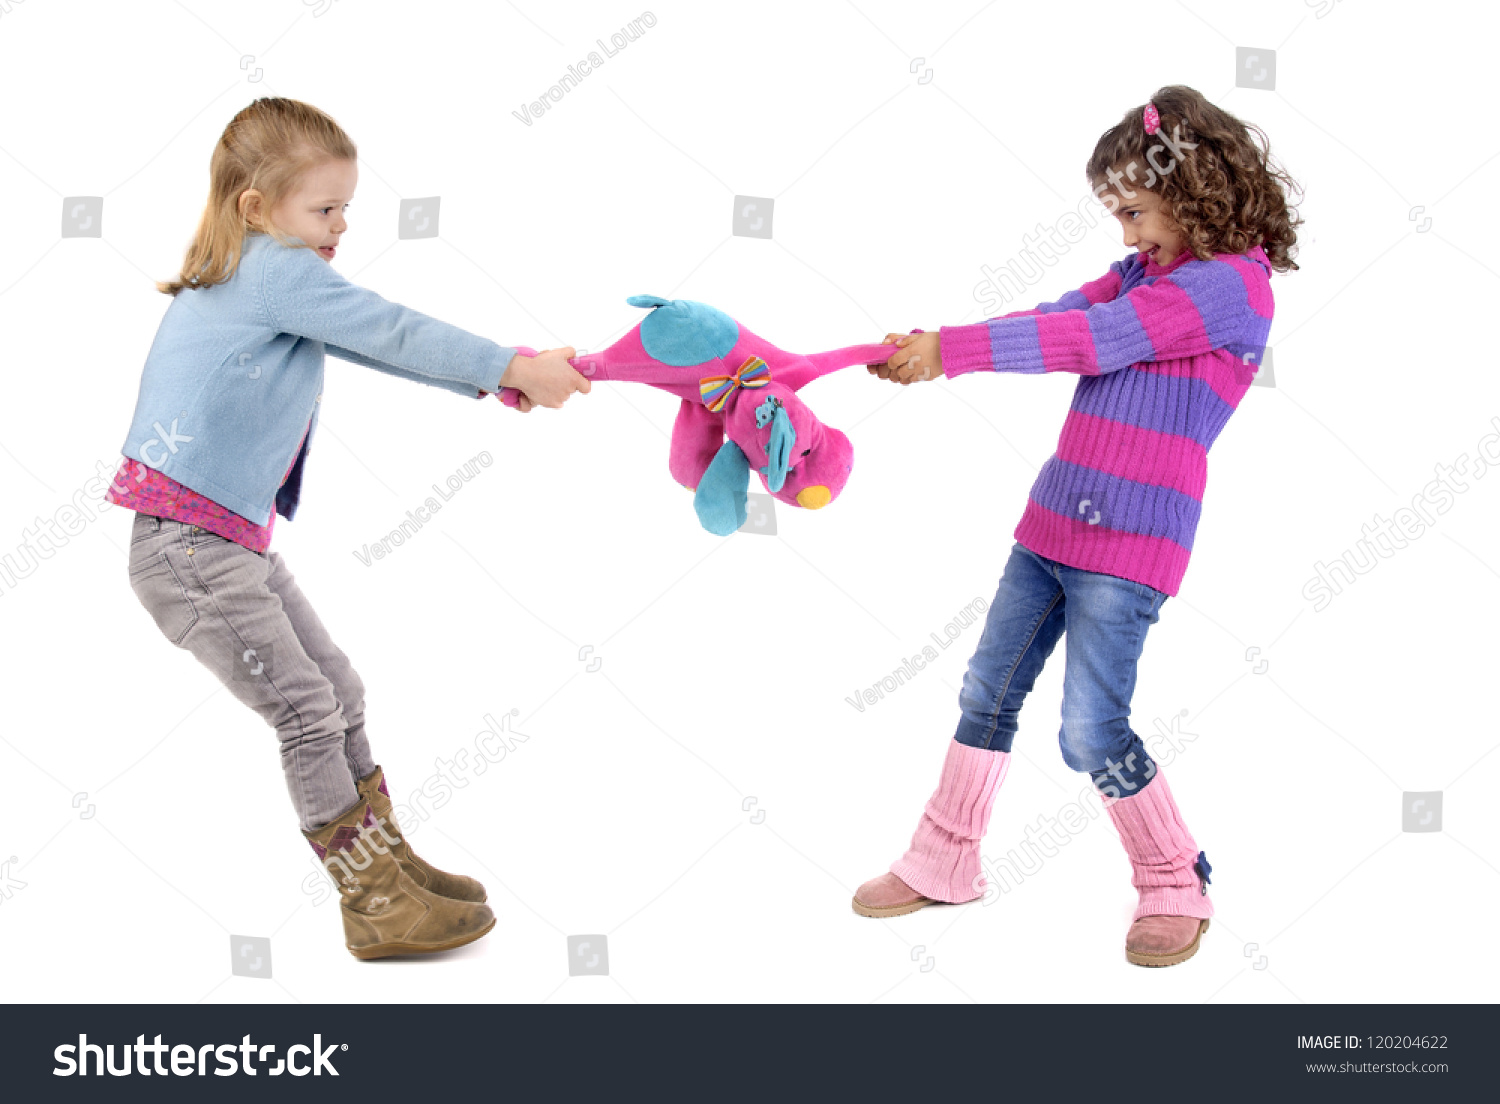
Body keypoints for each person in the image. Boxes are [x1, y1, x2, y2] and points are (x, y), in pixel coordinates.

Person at [107, 96, 590, 960]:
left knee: (339, 689)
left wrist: (492, 380)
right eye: (323, 209)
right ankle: (373, 902)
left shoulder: (261, 273)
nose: (338, 227)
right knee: (306, 710)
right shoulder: (271, 269)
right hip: (188, 551)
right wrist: (511, 363)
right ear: (258, 207)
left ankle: (389, 866)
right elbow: (388, 327)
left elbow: (369, 344)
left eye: (345, 210)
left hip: (223, 544)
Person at [858, 85, 1301, 967]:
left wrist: (953, 352)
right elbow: (1064, 316)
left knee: (1091, 730)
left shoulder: (1228, 289)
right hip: (1052, 524)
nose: (1127, 236)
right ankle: (944, 857)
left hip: (1130, 545)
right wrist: (942, 342)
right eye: (1119, 216)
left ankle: (1175, 878)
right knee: (987, 690)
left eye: (1135, 211)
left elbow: (1095, 341)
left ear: (1196, 190)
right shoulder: (1148, 272)